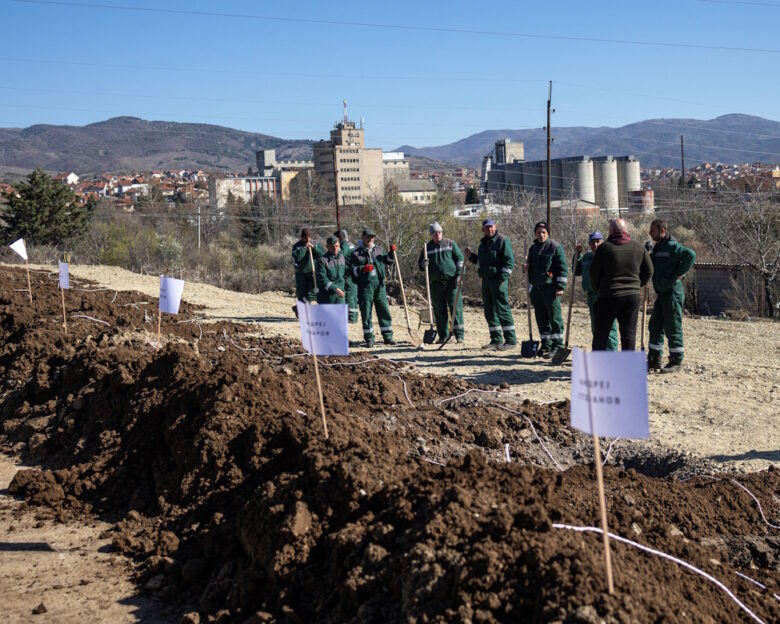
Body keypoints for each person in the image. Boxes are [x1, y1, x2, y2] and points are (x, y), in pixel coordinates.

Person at [589, 218, 653, 351]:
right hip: (631, 297)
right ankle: (626, 368)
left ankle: (597, 367)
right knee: (628, 334)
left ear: (611, 231)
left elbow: (593, 273)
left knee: (601, 334)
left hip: (608, 296)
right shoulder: (638, 247)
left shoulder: (604, 248)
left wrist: (597, 288)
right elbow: (649, 271)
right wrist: (638, 284)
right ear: (626, 230)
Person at [647, 219, 696, 373]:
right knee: (655, 326)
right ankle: (654, 359)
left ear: (662, 230)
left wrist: (680, 274)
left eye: (652, 231)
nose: (650, 233)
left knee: (672, 327)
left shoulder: (673, 246)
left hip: (672, 294)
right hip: (661, 293)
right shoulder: (657, 247)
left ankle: (676, 360)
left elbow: (691, 255)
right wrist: (648, 253)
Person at [466, 219, 516, 350]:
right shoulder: (483, 245)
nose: (489, 229)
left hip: (498, 281)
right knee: (489, 312)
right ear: (483, 230)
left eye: (491, 227)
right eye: (487, 228)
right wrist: (471, 256)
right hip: (486, 282)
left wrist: (502, 278)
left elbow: (509, 262)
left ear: (495, 227)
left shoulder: (502, 241)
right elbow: (481, 262)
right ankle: (496, 340)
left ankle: (510, 340)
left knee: (502, 310)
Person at [525, 221, 568, 358]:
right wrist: (526, 268)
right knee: (541, 319)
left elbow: (562, 269)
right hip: (537, 290)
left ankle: (557, 346)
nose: (541, 235)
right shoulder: (533, 249)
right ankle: (546, 344)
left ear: (548, 233)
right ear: (535, 233)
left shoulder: (555, 247)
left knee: (554, 319)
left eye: (543, 232)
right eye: (538, 232)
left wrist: (560, 287)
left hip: (551, 289)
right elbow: (531, 267)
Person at [418, 222, 465, 344]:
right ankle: (443, 336)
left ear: (442, 233)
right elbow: (420, 265)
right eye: (434, 233)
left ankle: (459, 335)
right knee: (439, 310)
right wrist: (424, 264)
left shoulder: (450, 244)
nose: (437, 235)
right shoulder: (426, 248)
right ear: (431, 235)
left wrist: (459, 275)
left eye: (439, 232)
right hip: (435, 284)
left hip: (452, 282)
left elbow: (460, 259)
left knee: (456, 308)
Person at [350, 229, 396, 347]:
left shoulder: (379, 250)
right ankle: (369, 338)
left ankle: (388, 336)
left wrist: (391, 253)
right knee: (366, 313)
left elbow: (388, 261)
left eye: (372, 237)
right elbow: (352, 271)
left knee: (384, 310)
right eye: (368, 237)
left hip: (379, 285)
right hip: (365, 287)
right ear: (363, 237)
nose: (370, 239)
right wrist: (363, 269)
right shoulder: (356, 253)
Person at [575, 231, 618, 351]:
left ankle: (611, 352)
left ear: (603, 242)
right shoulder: (587, 256)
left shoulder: (607, 255)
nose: (596, 244)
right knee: (596, 326)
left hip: (604, 295)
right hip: (591, 295)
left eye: (598, 241)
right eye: (593, 242)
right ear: (589, 243)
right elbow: (577, 271)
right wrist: (577, 255)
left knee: (608, 326)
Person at [291, 228, 325, 317]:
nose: (307, 240)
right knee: (301, 293)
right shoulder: (297, 246)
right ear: (302, 237)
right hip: (301, 273)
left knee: (313, 291)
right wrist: (304, 248)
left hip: (313, 272)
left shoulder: (316, 244)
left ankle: (299, 307)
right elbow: (298, 257)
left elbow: (322, 255)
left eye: (309, 238)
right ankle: (301, 312)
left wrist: (314, 248)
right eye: (305, 238)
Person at [337, 229, 359, 323]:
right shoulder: (352, 245)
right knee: (354, 295)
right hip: (354, 272)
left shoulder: (344, 245)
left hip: (348, 273)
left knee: (349, 295)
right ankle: (354, 316)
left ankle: (351, 318)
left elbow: (340, 255)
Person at [316, 236, 346, 304]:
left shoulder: (342, 258)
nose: (335, 248)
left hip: (340, 296)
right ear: (327, 246)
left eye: (336, 246)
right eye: (332, 246)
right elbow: (322, 279)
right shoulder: (322, 261)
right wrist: (335, 288)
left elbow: (345, 275)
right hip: (327, 297)